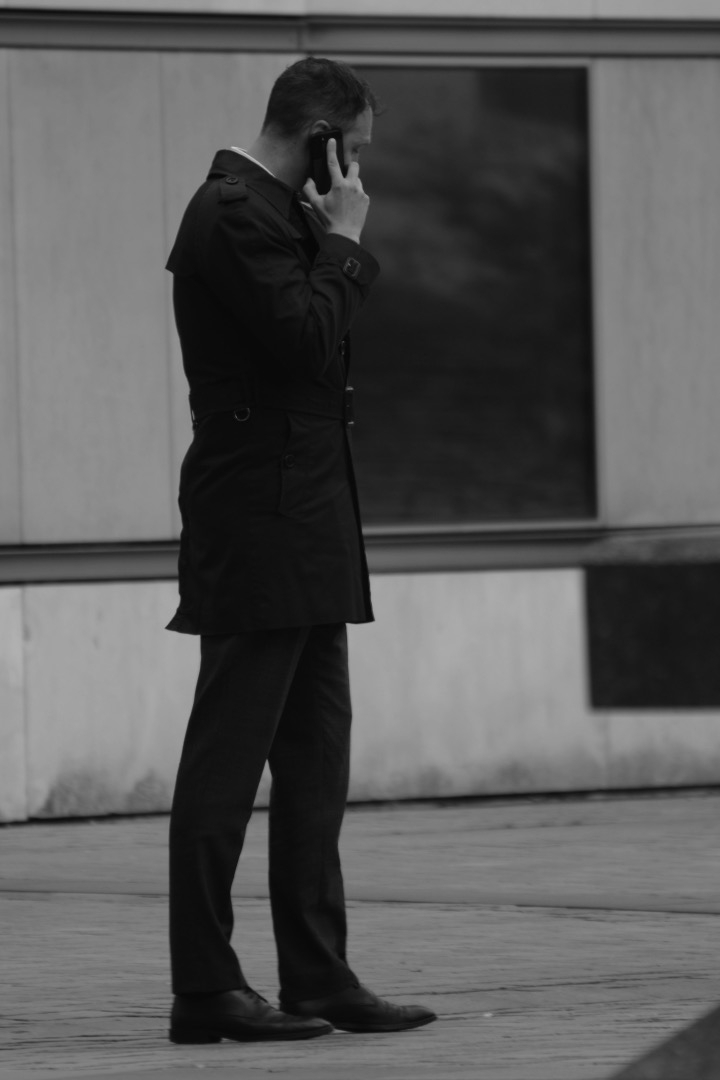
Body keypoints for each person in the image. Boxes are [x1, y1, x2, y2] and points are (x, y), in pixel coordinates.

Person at [165, 57, 437, 1044]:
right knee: (227, 764)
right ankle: (206, 990)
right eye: (353, 150)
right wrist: (347, 243)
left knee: (316, 763)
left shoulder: (281, 218)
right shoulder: (232, 213)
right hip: (260, 523)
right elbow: (306, 340)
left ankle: (318, 976)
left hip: (309, 521)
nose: (358, 172)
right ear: (319, 138)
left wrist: (329, 241)